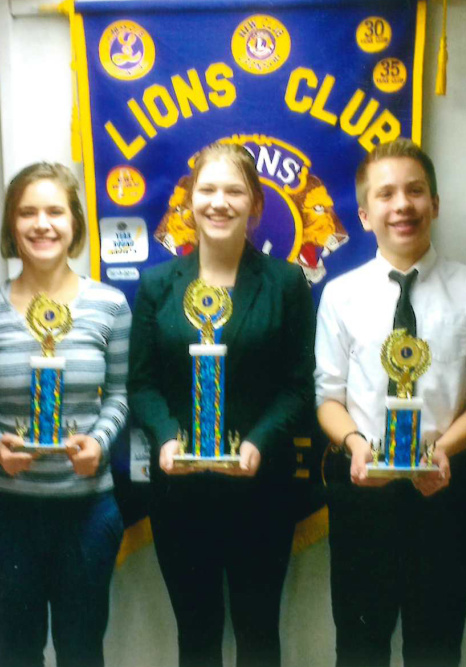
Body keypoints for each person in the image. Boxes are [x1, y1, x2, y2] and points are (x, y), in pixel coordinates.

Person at [314, 139, 466, 667]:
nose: (402, 205)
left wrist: (441, 450)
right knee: (358, 645)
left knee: (437, 647)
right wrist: (354, 444)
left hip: (442, 490)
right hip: (362, 488)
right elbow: (328, 397)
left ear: (435, 204)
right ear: (364, 213)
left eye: (415, 191)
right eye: (387, 194)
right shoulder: (340, 294)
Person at [128, 142, 315, 667]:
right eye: (206, 190)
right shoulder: (158, 286)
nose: (219, 202)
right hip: (180, 493)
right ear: (189, 201)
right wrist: (167, 437)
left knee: (258, 635)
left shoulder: (285, 284)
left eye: (234, 191)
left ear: (256, 204)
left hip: (261, 489)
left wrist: (256, 444)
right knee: (197, 636)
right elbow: (141, 384)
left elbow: (300, 388)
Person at [0, 162, 129, 667]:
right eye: (27, 212)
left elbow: (120, 394)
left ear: (74, 222)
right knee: (16, 653)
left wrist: (99, 441)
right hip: (7, 512)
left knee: (82, 652)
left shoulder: (110, 305)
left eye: (55, 211)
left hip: (87, 511)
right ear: (12, 225)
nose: (42, 224)